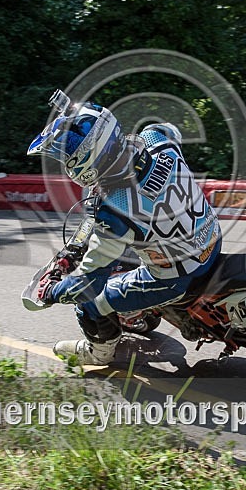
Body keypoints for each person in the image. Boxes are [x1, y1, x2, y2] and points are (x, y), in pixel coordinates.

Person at [26, 90, 222, 365]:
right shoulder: (157, 140)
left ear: (86, 157)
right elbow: (169, 131)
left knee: (90, 302)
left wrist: (51, 292)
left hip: (178, 276)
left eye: (68, 154)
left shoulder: (114, 208)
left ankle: (100, 353)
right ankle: (144, 310)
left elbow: (86, 283)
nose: (65, 162)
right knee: (133, 248)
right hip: (211, 239)